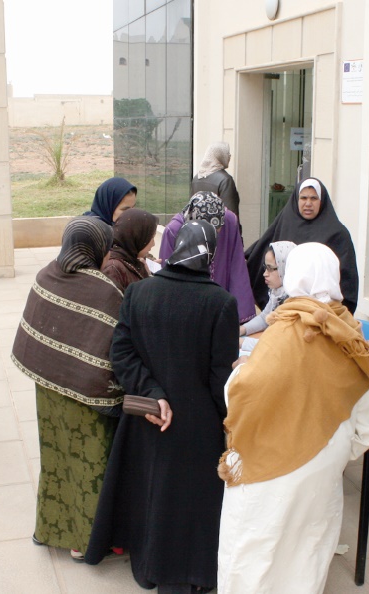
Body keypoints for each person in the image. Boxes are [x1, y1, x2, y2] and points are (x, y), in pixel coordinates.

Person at [217, 242, 369, 593]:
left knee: (255, 552)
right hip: (326, 462)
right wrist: (331, 451)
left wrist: (239, 372)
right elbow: (365, 424)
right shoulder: (349, 329)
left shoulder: (288, 327)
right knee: (308, 551)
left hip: (273, 465)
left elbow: (243, 392)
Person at [86, 220, 239, 593]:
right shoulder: (221, 303)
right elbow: (221, 376)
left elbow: (121, 352)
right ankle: (189, 574)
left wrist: (153, 393)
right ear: (210, 256)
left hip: (147, 418)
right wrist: (231, 420)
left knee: (151, 492)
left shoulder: (139, 293)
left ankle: (149, 566)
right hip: (197, 425)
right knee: (188, 503)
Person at [11, 216, 124, 561]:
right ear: (96, 248)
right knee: (90, 463)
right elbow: (115, 346)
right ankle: (85, 541)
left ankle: (49, 529)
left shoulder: (46, 273)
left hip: (48, 390)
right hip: (87, 396)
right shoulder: (104, 290)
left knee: (56, 459)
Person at [245, 177, 360, 313]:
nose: (308, 203)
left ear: (322, 201)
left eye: (313, 198)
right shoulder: (285, 223)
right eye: (303, 198)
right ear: (296, 200)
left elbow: (347, 278)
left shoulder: (337, 234)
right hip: (285, 308)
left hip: (322, 311)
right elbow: (261, 251)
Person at [159, 192, 255, 323]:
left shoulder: (229, 221)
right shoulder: (174, 230)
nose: (213, 237)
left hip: (221, 293)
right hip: (187, 300)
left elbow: (237, 267)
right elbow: (168, 275)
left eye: (217, 230)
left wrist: (240, 315)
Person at [238, 240, 296, 352]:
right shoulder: (278, 292)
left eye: (271, 268)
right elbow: (264, 318)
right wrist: (242, 329)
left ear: (286, 267)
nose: (265, 273)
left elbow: (278, 345)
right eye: (265, 267)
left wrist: (241, 342)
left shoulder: (295, 301)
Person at [101, 207, 159, 293]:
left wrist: (149, 274)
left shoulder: (133, 260)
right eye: (151, 238)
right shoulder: (113, 268)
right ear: (138, 237)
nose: (153, 244)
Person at [191, 142, 241, 221]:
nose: (229, 156)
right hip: (219, 230)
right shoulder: (225, 180)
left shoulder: (197, 178)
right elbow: (230, 215)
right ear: (220, 155)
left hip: (199, 230)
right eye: (227, 153)